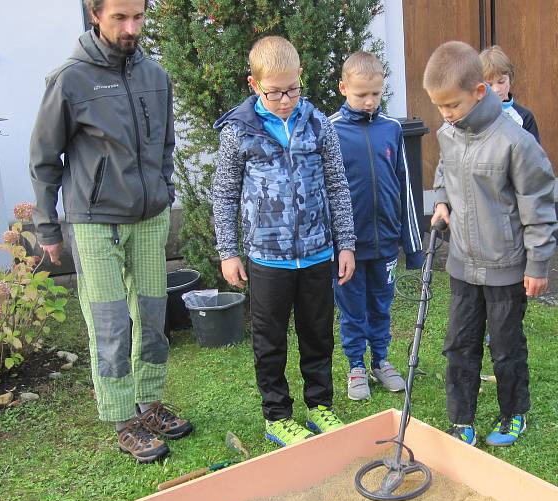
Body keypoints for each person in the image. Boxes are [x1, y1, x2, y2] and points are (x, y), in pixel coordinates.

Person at [29, 0, 191, 464]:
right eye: (120, 17)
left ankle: (151, 404)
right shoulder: (70, 79)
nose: (131, 27)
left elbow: (165, 144)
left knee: (153, 317)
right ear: (95, 15)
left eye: (138, 17)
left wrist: (163, 187)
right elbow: (44, 159)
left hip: (149, 218)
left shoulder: (155, 77)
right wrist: (46, 226)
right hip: (95, 222)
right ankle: (123, 419)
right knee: (112, 323)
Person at [212, 36, 356, 447]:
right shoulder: (238, 132)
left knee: (318, 333)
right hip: (266, 259)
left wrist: (345, 243)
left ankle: (320, 405)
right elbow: (223, 194)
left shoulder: (318, 125)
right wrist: (228, 252)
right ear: (254, 85)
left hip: (316, 253)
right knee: (269, 339)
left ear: (300, 80)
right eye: (274, 92)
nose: (284, 99)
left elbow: (337, 186)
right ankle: (277, 415)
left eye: (292, 89)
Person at [423, 41, 557, 447]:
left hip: (505, 266)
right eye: (439, 107)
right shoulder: (449, 134)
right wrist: (442, 199)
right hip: (463, 262)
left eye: (453, 105)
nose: (445, 115)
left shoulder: (516, 141)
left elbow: (538, 205)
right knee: (459, 345)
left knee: (505, 347)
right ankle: (461, 419)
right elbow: (445, 171)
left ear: (479, 92)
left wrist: (538, 264)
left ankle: (513, 412)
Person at [329, 51, 424, 400]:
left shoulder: (392, 130)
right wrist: (337, 244)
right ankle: (356, 365)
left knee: (380, 306)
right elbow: (326, 193)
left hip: (384, 242)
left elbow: (405, 186)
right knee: (352, 308)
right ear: (343, 88)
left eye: (376, 94)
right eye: (361, 95)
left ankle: (381, 360)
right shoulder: (330, 130)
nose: (369, 102)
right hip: (348, 250)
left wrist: (413, 246)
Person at [479, 45, 541, 144]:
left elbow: (534, 156)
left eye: (501, 82)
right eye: (489, 84)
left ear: (510, 78)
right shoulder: (471, 116)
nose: (496, 90)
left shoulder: (524, 117)